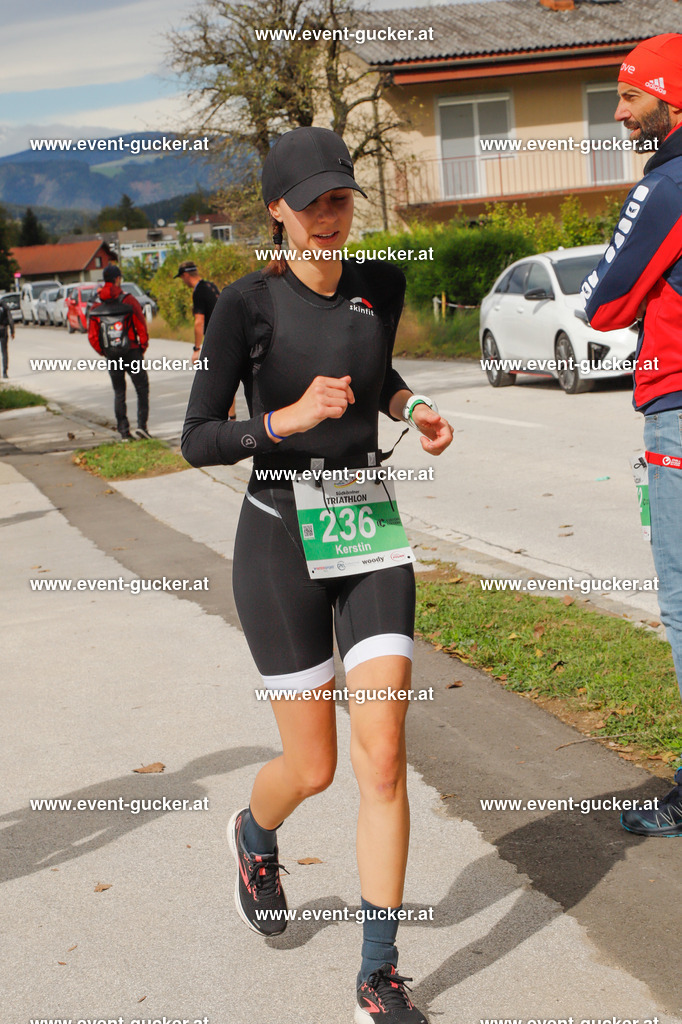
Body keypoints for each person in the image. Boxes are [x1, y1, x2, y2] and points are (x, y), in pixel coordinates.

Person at [182, 126, 453, 1022]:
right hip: (279, 542)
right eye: (313, 205)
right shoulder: (243, 305)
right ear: (278, 211)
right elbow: (196, 437)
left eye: (341, 200)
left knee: (382, 758)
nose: (331, 218)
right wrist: (284, 421)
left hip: (368, 530)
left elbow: (378, 377)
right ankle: (255, 833)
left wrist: (413, 407)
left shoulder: (379, 284)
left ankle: (380, 976)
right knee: (316, 767)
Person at [581, 33, 682, 836]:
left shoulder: (667, 186)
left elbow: (605, 302)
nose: (619, 112)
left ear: (670, 99)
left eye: (629, 96)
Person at [88, 264, 151, 441]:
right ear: (117, 279)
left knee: (119, 392)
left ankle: (124, 432)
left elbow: (93, 336)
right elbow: (141, 325)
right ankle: (142, 427)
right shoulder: (129, 300)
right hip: (131, 350)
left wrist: (104, 351)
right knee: (141, 388)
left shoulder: (97, 306)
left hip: (112, 354)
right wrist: (141, 347)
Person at [174, 260, 236, 417]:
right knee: (227, 378)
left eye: (182, 278)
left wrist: (196, 348)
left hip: (216, 339)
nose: (183, 281)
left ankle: (221, 419)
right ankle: (231, 417)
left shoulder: (199, 291)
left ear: (186, 275)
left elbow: (199, 321)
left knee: (217, 381)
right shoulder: (211, 286)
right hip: (228, 334)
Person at [0, 295, 15, 379]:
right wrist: (12, 331)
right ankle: (4, 372)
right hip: (3, 330)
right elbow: (10, 320)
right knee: (4, 352)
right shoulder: (5, 307)